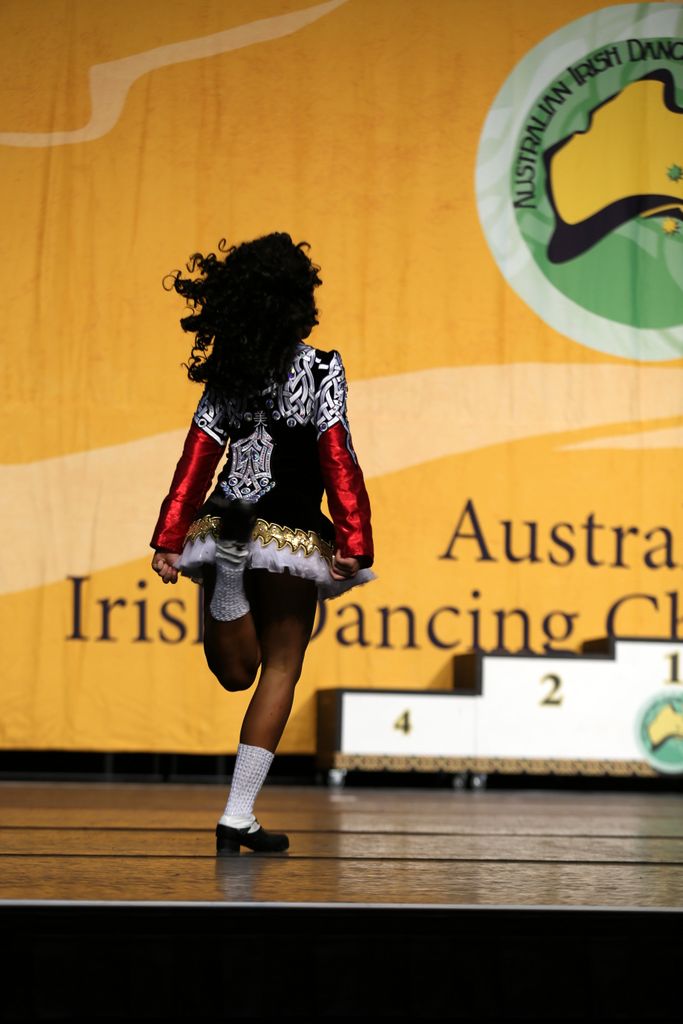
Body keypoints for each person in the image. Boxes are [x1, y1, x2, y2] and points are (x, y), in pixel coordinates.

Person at [150, 232, 374, 855]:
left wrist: (170, 537)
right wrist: (354, 537)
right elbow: (337, 454)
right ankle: (236, 813)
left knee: (233, 672)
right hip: (290, 528)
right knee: (279, 666)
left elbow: (197, 457)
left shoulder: (229, 373)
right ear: (299, 299)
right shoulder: (321, 368)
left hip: (228, 516)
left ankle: (228, 581)